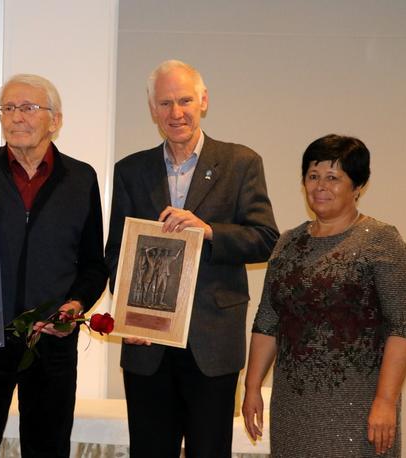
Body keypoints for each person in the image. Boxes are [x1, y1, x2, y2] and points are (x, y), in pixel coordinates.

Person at [105, 59, 279, 457]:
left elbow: (265, 238)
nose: (175, 112)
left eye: (184, 100)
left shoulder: (240, 163)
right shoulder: (131, 170)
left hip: (212, 341)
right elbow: (118, 251)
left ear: (203, 101)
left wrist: (210, 231)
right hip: (148, 343)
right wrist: (127, 312)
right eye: (164, 103)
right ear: (152, 109)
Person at [0, 74, 108, 457]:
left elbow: (93, 264)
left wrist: (75, 305)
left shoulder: (81, 178)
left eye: (29, 108)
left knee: (48, 448)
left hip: (50, 343)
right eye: (8, 108)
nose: (16, 117)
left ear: (55, 120)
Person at [242, 134, 406, 457]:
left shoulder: (382, 242)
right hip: (292, 409)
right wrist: (252, 387)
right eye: (313, 176)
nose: (320, 186)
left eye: (333, 177)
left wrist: (385, 400)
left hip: (359, 409)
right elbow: (267, 320)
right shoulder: (287, 244)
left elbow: (402, 328)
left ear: (358, 186)